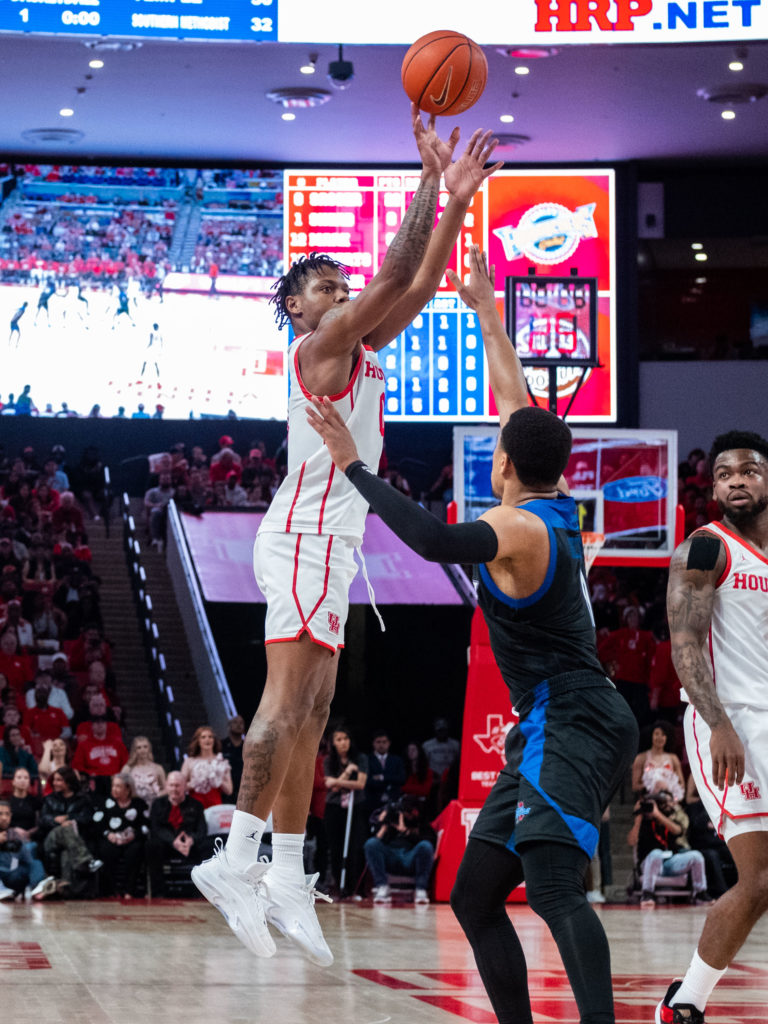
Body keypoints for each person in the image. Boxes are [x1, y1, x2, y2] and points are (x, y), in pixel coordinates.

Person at [191, 108, 502, 967]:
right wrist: (430, 181)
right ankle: (234, 858)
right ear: (298, 308)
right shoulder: (319, 349)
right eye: (326, 286)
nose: (341, 292)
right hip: (301, 536)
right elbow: (398, 266)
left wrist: (457, 204)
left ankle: (287, 872)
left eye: (339, 286)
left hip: (334, 544)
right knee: (285, 707)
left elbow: (422, 282)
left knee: (316, 715)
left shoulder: (360, 347)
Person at [307, 245, 638, 1024]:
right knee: (476, 894)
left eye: (497, 444)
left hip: (575, 716)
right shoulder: (555, 502)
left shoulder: (517, 525)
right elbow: (517, 401)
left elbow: (429, 539)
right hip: (554, 721)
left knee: (553, 888)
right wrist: (488, 312)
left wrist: (354, 464)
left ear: (503, 465)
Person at [655, 430, 768, 1024]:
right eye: (724, 474)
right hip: (730, 724)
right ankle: (684, 1005)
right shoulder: (705, 549)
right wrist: (718, 722)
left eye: (748, 471)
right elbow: (685, 642)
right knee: (759, 879)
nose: (735, 482)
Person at [627, 788, 712, 908]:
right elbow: (631, 841)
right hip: (649, 864)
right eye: (662, 802)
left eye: (667, 802)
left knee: (696, 856)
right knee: (656, 853)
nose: (666, 804)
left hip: (669, 863)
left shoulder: (668, 817)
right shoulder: (644, 822)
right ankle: (647, 894)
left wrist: (658, 815)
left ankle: (700, 894)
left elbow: (678, 831)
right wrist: (638, 819)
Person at [146, 770, 212, 898]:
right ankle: (158, 893)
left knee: (208, 846)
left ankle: (201, 892)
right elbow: (156, 828)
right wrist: (173, 841)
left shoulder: (196, 805)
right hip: (167, 844)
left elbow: (202, 830)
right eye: (171, 785)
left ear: (184, 786)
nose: (174, 789)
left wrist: (191, 840)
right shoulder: (158, 804)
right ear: (166, 786)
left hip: (189, 845)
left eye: (177, 785)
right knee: (151, 845)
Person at [323, 724, 368, 899]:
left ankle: (355, 887)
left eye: (346, 739)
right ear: (333, 743)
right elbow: (330, 787)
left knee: (356, 846)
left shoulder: (360, 758)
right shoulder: (329, 761)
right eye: (339, 739)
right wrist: (348, 772)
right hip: (334, 808)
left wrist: (337, 781)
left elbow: (361, 784)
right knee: (335, 848)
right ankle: (340, 886)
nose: (343, 743)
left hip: (355, 807)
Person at [364, 793, 435, 905]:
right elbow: (376, 840)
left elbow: (430, 840)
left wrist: (406, 832)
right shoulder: (391, 817)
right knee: (371, 844)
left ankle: (421, 889)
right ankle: (382, 886)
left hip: (409, 857)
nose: (406, 816)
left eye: (408, 813)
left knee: (425, 846)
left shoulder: (420, 821)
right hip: (391, 856)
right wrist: (385, 824)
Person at [92, 773, 149, 898]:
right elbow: (97, 823)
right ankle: (112, 890)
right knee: (106, 850)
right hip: (112, 839)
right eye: (113, 786)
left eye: (118, 786)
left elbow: (146, 825)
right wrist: (108, 834)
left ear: (128, 788)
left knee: (135, 852)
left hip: (132, 840)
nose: (114, 789)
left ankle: (129, 890)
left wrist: (133, 834)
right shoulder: (107, 803)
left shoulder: (138, 804)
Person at [631, 720, 685, 802]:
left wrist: (668, 785)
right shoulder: (641, 758)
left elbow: (682, 784)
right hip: (649, 800)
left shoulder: (673, 758)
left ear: (667, 738)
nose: (659, 737)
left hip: (669, 800)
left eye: (663, 735)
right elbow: (635, 786)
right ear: (651, 736)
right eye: (657, 734)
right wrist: (653, 785)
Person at [180, 725, 233, 808]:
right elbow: (181, 787)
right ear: (198, 741)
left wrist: (216, 778)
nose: (207, 739)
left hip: (215, 807)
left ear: (214, 740)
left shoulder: (221, 761)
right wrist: (196, 782)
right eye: (203, 737)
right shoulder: (189, 761)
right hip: (194, 808)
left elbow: (229, 790)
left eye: (210, 737)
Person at [365, 729, 406, 810]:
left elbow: (402, 779)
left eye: (384, 742)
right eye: (378, 742)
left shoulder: (397, 760)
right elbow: (367, 781)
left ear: (389, 743)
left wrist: (382, 777)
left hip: (393, 800)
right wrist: (392, 779)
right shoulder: (367, 759)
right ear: (373, 743)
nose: (381, 745)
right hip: (372, 802)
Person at [123, 735, 166, 808]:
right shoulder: (127, 769)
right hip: (134, 806)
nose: (142, 750)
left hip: (154, 807)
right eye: (139, 747)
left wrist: (156, 795)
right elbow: (121, 788)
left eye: (145, 747)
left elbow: (166, 789)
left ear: (149, 748)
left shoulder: (158, 768)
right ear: (134, 750)